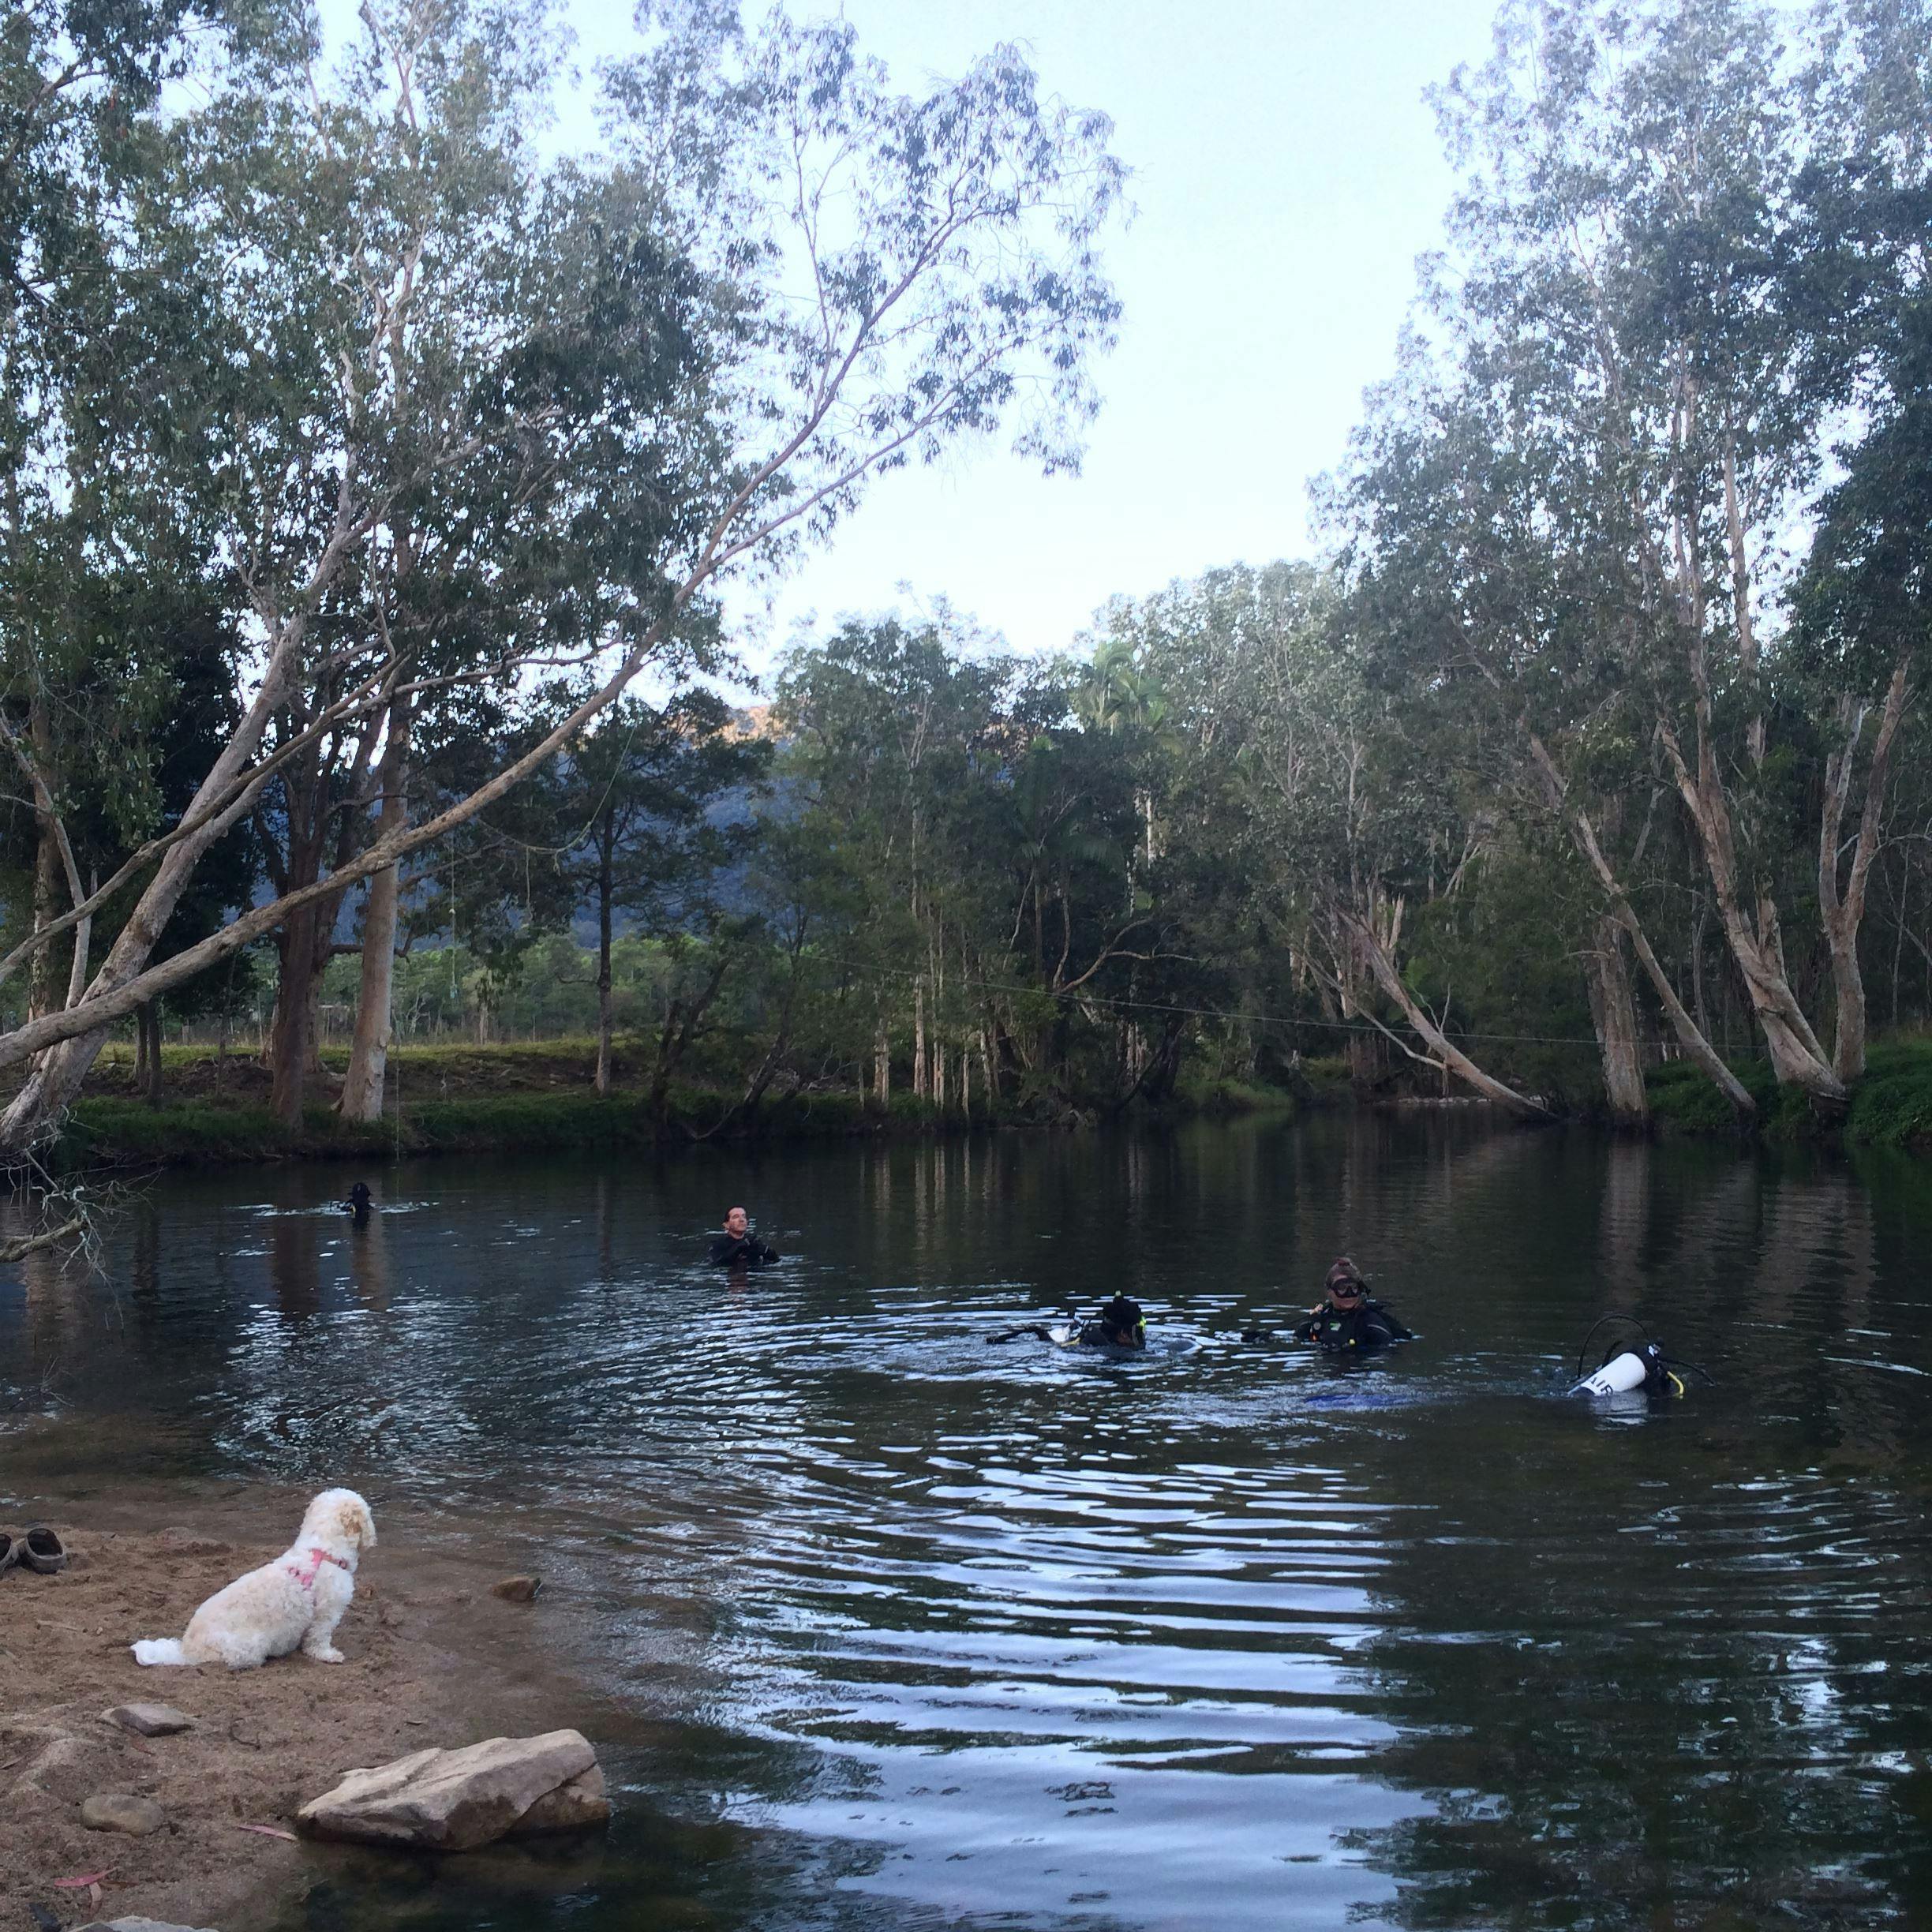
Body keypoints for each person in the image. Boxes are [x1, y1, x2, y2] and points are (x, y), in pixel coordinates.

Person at [1291, 1258, 1411, 1352]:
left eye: (1354, 1288)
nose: (1349, 1294)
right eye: (1342, 1288)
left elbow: (1389, 1350)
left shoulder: (1370, 1322)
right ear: (1330, 1292)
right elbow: (1295, 1340)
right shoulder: (1319, 1319)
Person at [710, 1205, 781, 1269]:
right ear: (726, 1225)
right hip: (731, 1274)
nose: (741, 1220)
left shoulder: (754, 1241)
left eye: (744, 1216)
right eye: (736, 1217)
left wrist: (767, 1251)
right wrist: (740, 1246)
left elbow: (776, 1261)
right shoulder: (718, 1244)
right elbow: (717, 1264)